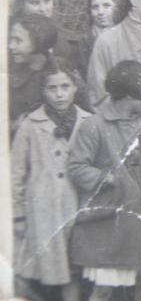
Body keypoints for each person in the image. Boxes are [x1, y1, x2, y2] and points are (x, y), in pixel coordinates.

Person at [67, 60, 141, 301]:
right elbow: (76, 167)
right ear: (129, 96)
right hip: (111, 219)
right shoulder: (94, 125)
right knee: (104, 288)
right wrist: (109, 179)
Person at [12, 57, 92, 301]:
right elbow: (16, 173)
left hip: (77, 207)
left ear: (75, 87)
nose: (59, 94)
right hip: (43, 211)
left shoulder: (89, 122)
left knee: (73, 270)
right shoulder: (31, 124)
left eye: (65, 87)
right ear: (43, 90)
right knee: (39, 269)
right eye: (52, 88)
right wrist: (18, 214)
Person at [11, 0, 81, 67]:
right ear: (21, 5)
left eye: (47, 1)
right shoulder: (10, 39)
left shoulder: (65, 40)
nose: (43, 9)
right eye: (35, 3)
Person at [9, 13, 58, 130]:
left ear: (38, 43)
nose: (10, 46)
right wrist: (12, 125)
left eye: (18, 40)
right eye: (11, 39)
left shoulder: (58, 72)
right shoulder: (7, 68)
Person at [77, 0, 116, 79]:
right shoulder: (83, 43)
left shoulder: (126, 37)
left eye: (106, 5)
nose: (100, 12)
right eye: (95, 7)